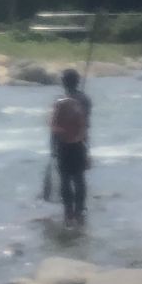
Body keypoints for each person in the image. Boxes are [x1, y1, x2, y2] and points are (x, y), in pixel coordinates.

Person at [49, 68, 93, 226]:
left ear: (63, 83)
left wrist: (52, 148)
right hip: (80, 142)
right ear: (77, 82)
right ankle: (80, 210)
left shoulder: (59, 101)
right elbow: (86, 121)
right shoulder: (85, 100)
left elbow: (54, 127)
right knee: (79, 177)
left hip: (62, 144)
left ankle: (68, 212)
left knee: (65, 178)